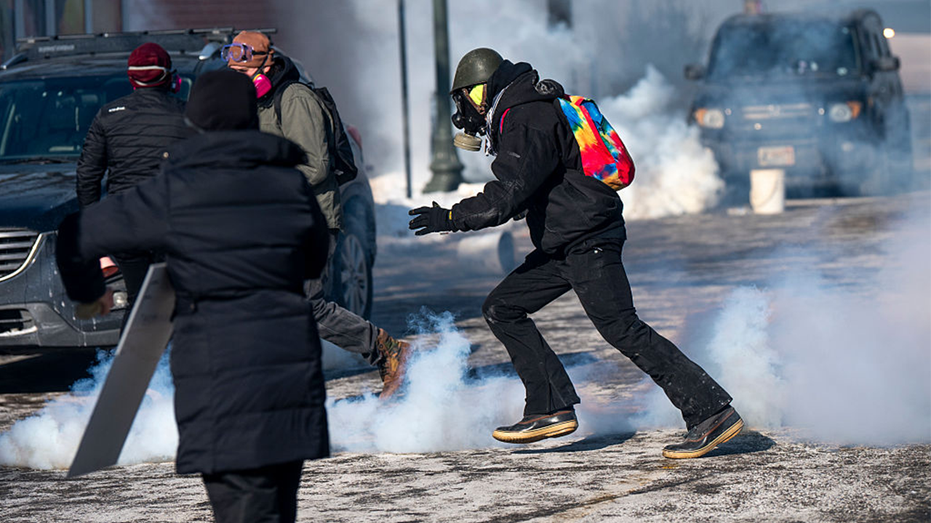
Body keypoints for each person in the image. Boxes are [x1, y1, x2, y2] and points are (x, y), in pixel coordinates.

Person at [409, 48, 743, 459]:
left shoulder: (525, 116)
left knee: (622, 328)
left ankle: (711, 411)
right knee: (503, 307)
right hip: (565, 243)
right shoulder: (520, 111)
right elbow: (532, 185)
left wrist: (451, 217)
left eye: (463, 100)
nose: (464, 112)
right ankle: (549, 407)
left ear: (480, 91)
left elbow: (506, 195)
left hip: (589, 238)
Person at [57, 70, 330, 522]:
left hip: (219, 384)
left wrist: (91, 297)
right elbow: (314, 263)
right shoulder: (290, 186)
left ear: (194, 121)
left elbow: (74, 235)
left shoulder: (173, 193)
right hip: (290, 380)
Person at [224, 30, 410, 398]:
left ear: (266, 66)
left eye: (242, 74)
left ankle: (389, 350)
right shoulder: (256, 109)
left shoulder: (294, 98)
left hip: (311, 220)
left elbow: (315, 167)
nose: (237, 83)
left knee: (307, 304)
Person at [76, 42, 193, 309]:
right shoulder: (188, 114)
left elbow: (87, 176)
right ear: (170, 78)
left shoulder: (107, 116)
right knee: (176, 301)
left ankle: (134, 350)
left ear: (131, 79)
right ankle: (177, 349)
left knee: (138, 302)